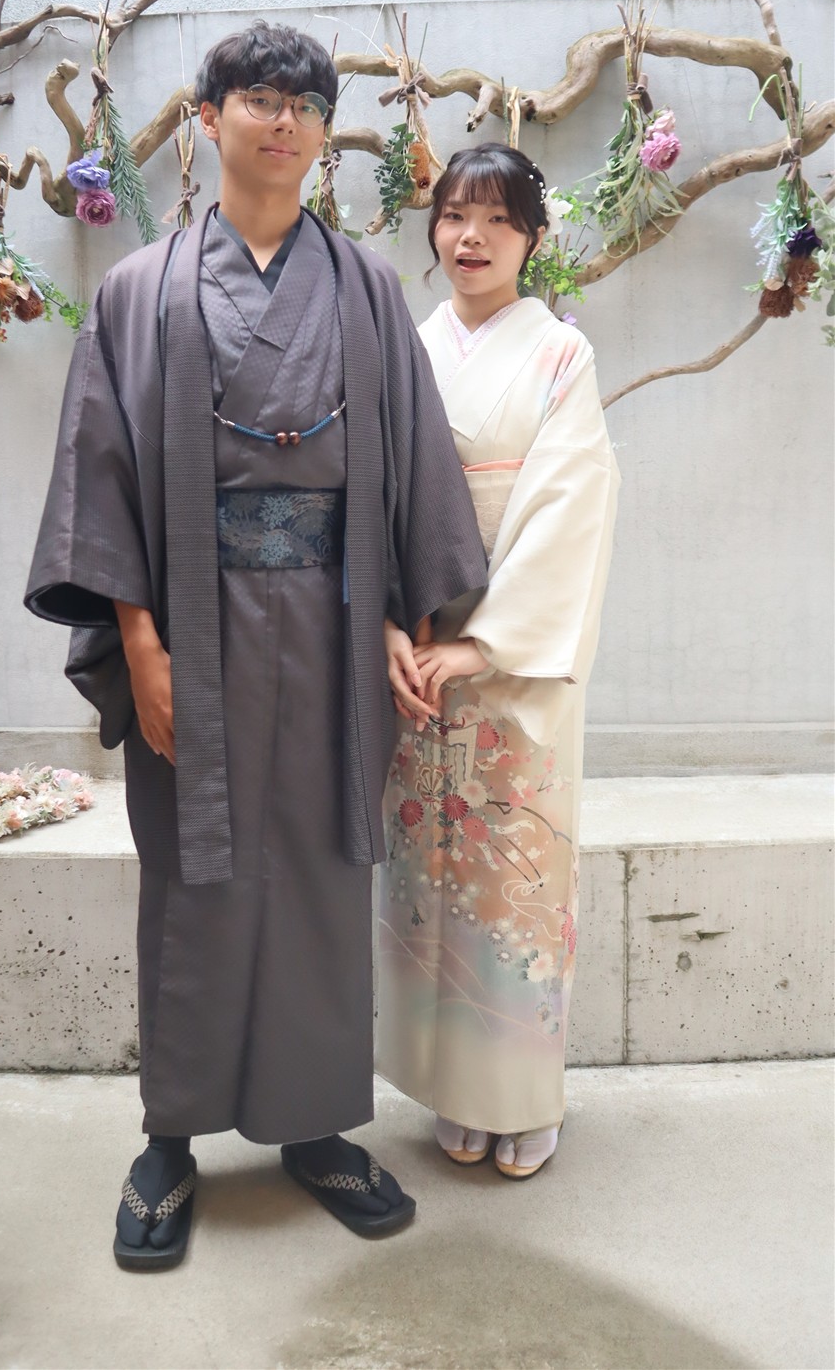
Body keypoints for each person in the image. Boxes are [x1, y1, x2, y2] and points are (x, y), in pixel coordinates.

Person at [24, 22, 489, 1267]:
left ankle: (314, 1123)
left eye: (305, 104)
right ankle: (169, 1139)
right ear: (209, 116)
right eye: (259, 99)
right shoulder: (139, 289)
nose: (283, 122)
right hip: (193, 623)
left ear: (324, 133)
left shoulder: (367, 289)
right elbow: (103, 476)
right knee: (194, 872)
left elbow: (409, 468)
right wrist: (140, 644)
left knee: (324, 870)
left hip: (335, 624)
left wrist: (405, 619)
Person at [377, 142, 619, 1178]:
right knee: (426, 880)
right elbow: (367, 493)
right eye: (452, 215)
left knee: (513, 878)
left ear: (532, 238)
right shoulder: (405, 346)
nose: (470, 237)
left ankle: (520, 1093)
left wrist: (484, 640)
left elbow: (570, 503)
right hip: (416, 653)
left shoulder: (561, 353)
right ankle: (450, 1085)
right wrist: (391, 624)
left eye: (498, 220)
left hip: (510, 658)